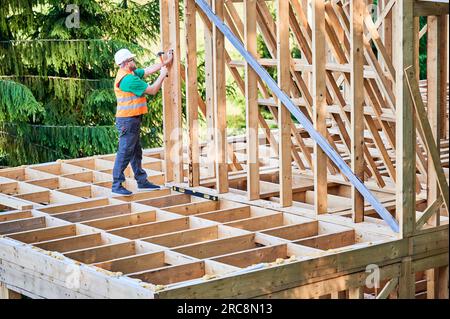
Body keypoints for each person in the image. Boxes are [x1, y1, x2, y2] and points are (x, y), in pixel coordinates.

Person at [112, 48, 173, 195]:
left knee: (135, 151)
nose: (134, 61)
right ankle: (117, 185)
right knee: (125, 152)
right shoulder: (128, 80)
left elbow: (147, 70)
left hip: (132, 119)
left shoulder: (129, 73)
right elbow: (152, 90)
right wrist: (163, 75)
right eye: (132, 59)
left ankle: (142, 181)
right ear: (126, 63)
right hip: (127, 120)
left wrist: (165, 62)